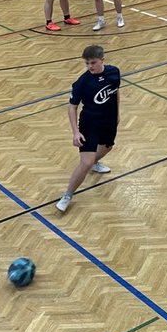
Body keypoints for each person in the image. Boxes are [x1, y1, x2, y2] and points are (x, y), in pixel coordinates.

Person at [56, 44, 120, 213]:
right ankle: (67, 195)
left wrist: (117, 114)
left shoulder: (114, 72)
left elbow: (116, 92)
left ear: (102, 60)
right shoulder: (82, 82)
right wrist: (75, 132)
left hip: (108, 121)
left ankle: (95, 163)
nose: (90, 66)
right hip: (89, 124)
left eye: (93, 63)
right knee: (86, 162)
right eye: (87, 63)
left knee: (107, 147)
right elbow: (72, 107)